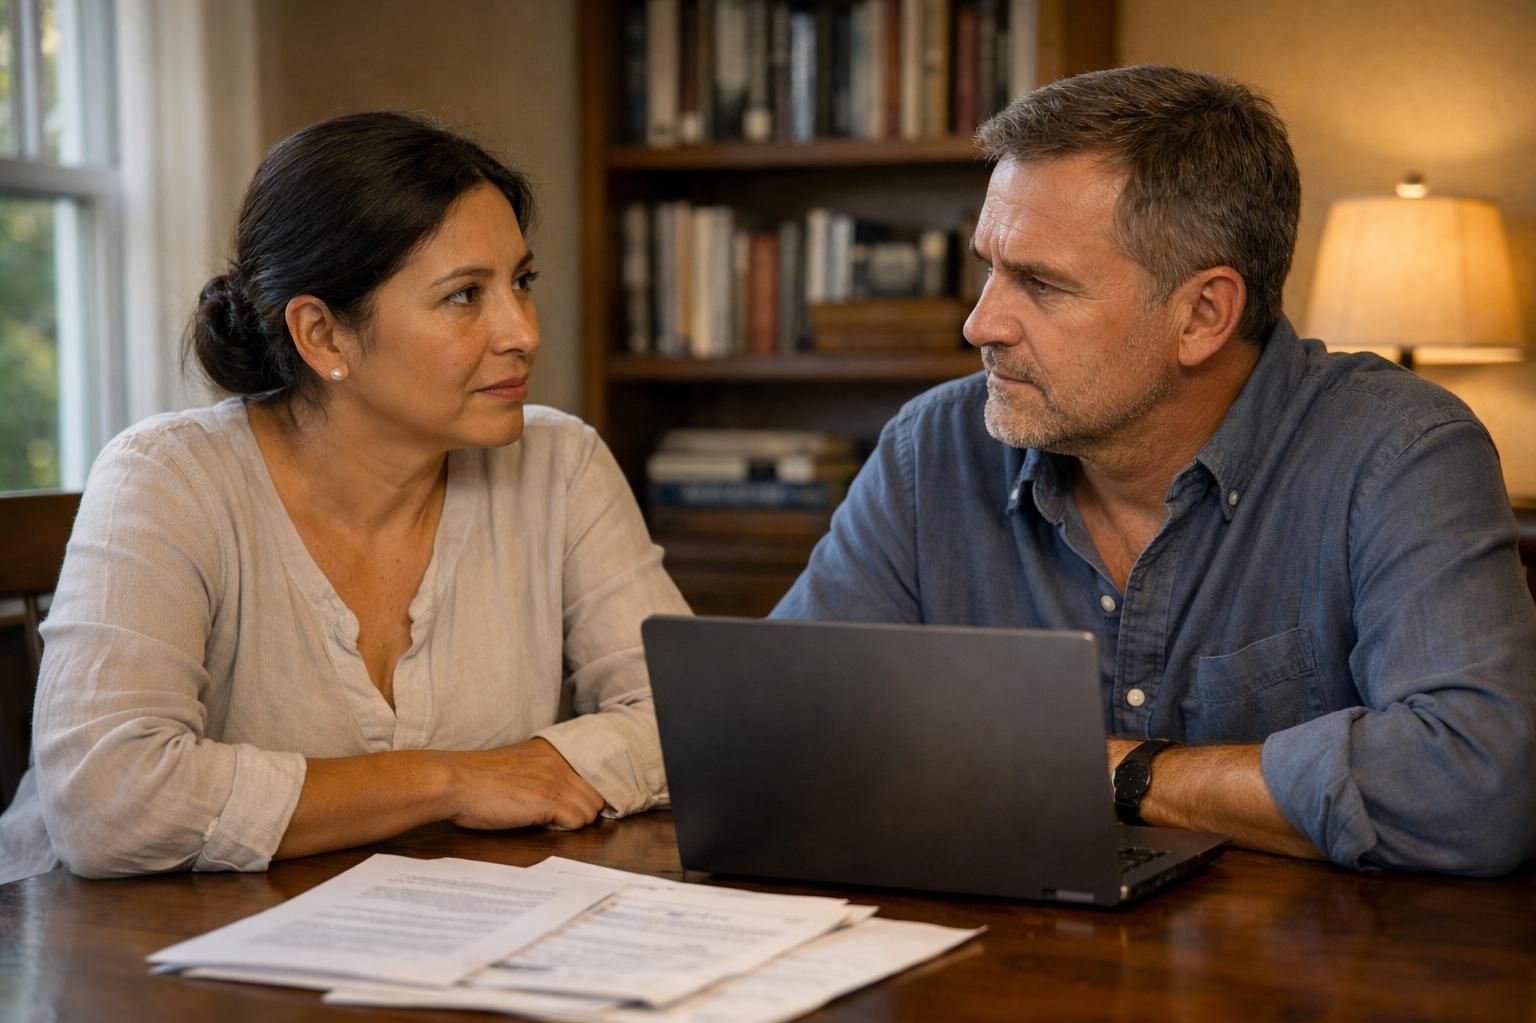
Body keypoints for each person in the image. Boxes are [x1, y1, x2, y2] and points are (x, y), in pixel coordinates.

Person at [773, 65, 1536, 875]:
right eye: (989, 267)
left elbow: (1479, 787)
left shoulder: (1400, 453)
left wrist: (1119, 770)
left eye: (1041, 284)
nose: (980, 322)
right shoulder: (933, 449)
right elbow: (786, 731)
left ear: (1203, 315)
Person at [0, 112, 690, 883]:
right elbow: (108, 803)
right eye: (465, 295)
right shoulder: (164, 479)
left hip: (427, 940)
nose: (521, 330)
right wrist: (454, 780)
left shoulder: (561, 463)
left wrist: (511, 772)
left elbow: (685, 720)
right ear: (323, 335)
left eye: (520, 282)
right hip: (97, 957)